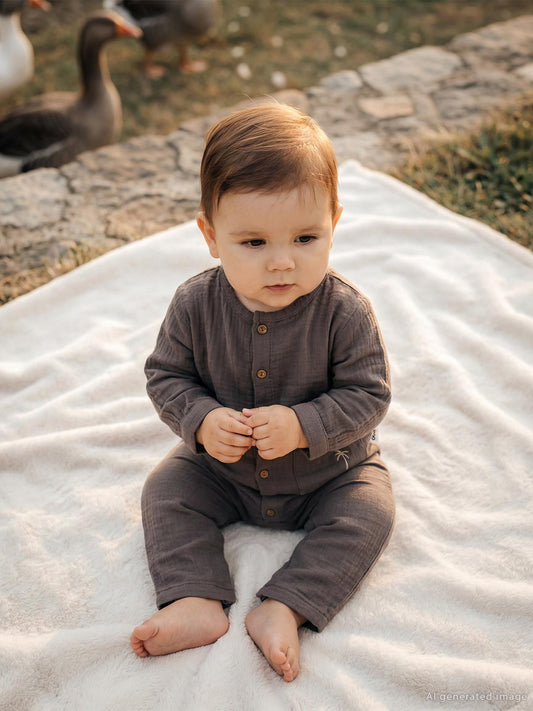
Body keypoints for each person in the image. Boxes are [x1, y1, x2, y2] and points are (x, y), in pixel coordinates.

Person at [130, 102, 395, 682]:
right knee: (165, 490)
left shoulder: (345, 311)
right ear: (211, 235)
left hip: (330, 473)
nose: (282, 262)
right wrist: (202, 421)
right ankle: (195, 596)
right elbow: (166, 376)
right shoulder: (194, 305)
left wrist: (303, 425)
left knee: (371, 511)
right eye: (253, 242)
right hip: (223, 471)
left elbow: (369, 394)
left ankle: (286, 606)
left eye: (306, 237)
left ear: (334, 223)